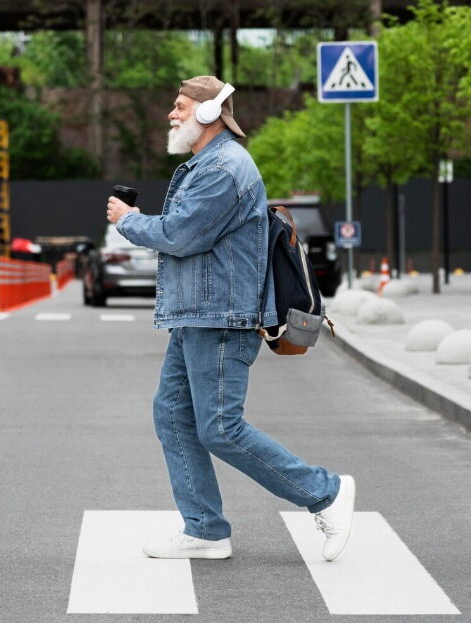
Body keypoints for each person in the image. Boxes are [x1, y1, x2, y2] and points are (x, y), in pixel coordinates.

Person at [106, 76, 355, 562]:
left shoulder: (224, 167)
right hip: (199, 315)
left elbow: (180, 235)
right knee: (173, 415)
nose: (172, 115)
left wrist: (128, 220)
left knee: (220, 426)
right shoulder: (206, 164)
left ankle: (325, 493)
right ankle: (204, 529)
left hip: (222, 317)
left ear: (207, 113)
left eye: (180, 107)